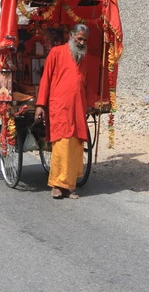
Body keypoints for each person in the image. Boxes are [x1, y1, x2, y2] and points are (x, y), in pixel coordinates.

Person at [35, 24, 97, 199]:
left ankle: (69, 186)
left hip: (78, 107)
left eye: (84, 39)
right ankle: (56, 184)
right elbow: (46, 79)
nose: (81, 42)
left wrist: (91, 104)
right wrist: (41, 105)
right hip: (59, 107)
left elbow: (89, 83)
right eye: (79, 38)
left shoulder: (85, 58)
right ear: (71, 36)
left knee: (76, 146)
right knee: (62, 144)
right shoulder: (57, 52)